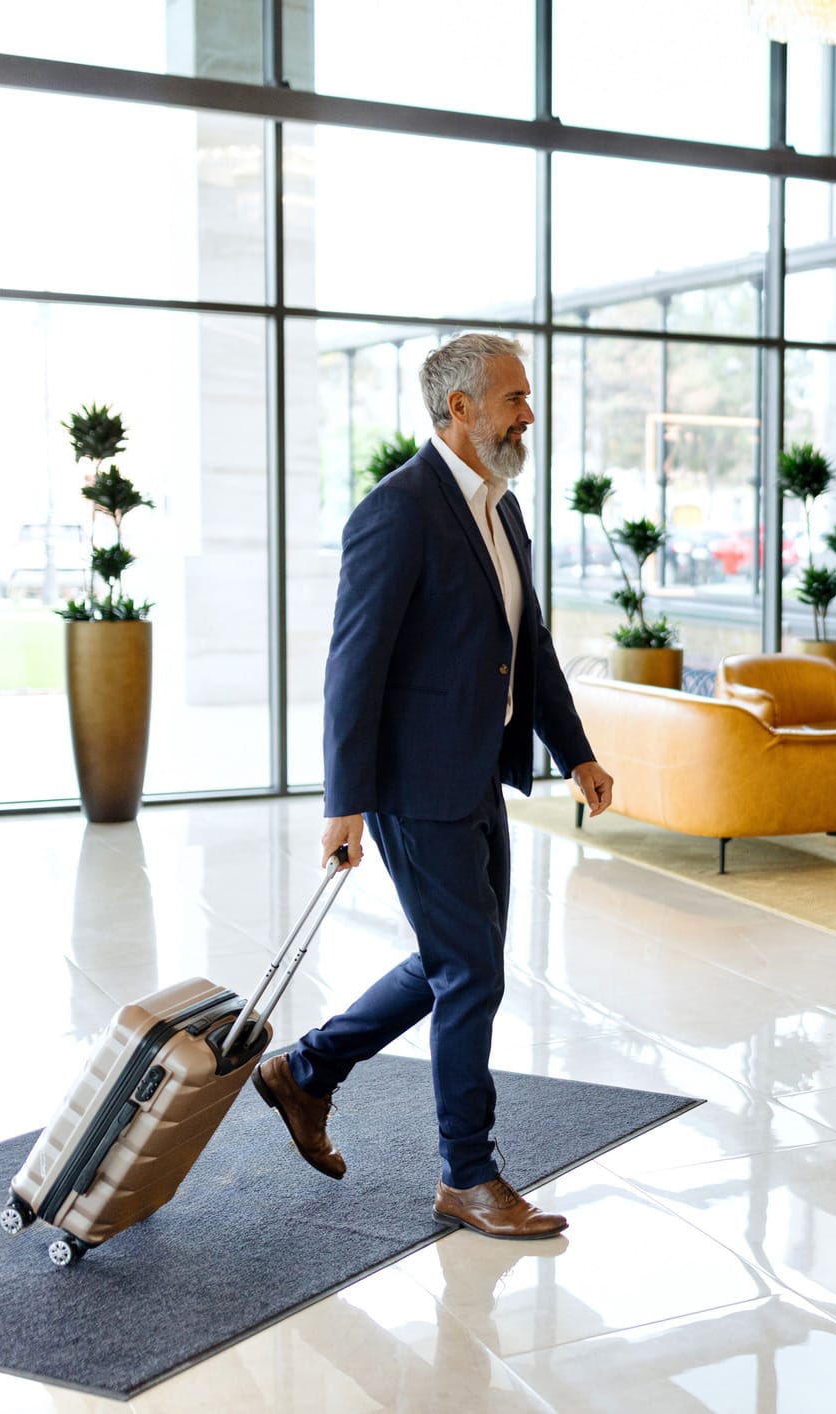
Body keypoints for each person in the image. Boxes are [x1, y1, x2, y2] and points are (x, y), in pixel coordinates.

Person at [252, 332, 616, 1239]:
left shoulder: (504, 510)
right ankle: (467, 1174)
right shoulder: (398, 511)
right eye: (513, 399)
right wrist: (345, 802)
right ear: (459, 408)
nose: (527, 415)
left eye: (525, 399)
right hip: (414, 786)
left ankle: (306, 1070)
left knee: (455, 960)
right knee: (471, 972)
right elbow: (354, 665)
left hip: (477, 778)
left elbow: (527, 645)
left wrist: (574, 752)